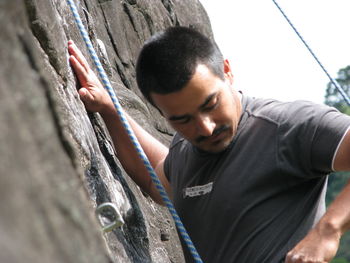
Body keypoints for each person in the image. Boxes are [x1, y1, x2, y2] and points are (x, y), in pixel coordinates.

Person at [68, 26, 350, 263]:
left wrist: (327, 231)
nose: (205, 127)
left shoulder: (287, 126)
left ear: (227, 71)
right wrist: (110, 109)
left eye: (211, 104)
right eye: (182, 119)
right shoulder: (186, 152)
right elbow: (156, 176)